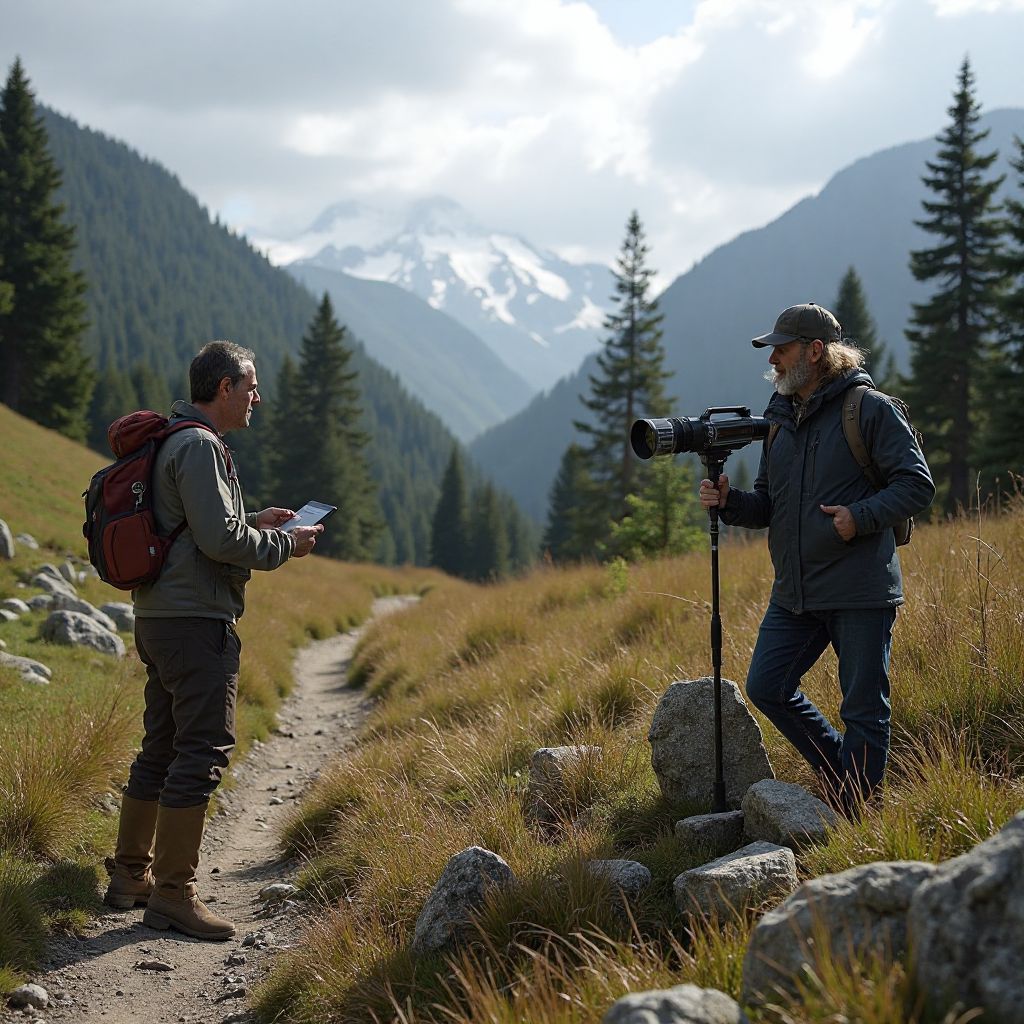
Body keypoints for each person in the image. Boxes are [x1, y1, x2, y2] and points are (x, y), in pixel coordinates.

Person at [103, 340, 324, 940]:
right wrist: (287, 545)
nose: (258, 396)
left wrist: (257, 524)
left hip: (160, 617)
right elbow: (220, 545)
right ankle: (173, 894)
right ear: (223, 388)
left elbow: (200, 531)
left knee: (164, 744)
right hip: (195, 623)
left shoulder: (177, 440)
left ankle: (129, 877)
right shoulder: (200, 446)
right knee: (200, 751)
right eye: (250, 385)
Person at [699, 303, 934, 814]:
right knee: (767, 686)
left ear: (815, 351)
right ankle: (848, 784)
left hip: (859, 588)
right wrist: (731, 501)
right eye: (772, 351)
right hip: (796, 593)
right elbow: (769, 502)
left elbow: (918, 485)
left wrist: (861, 516)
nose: (774, 359)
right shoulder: (779, 420)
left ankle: (855, 815)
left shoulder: (869, 409)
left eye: (782, 349)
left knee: (864, 711)